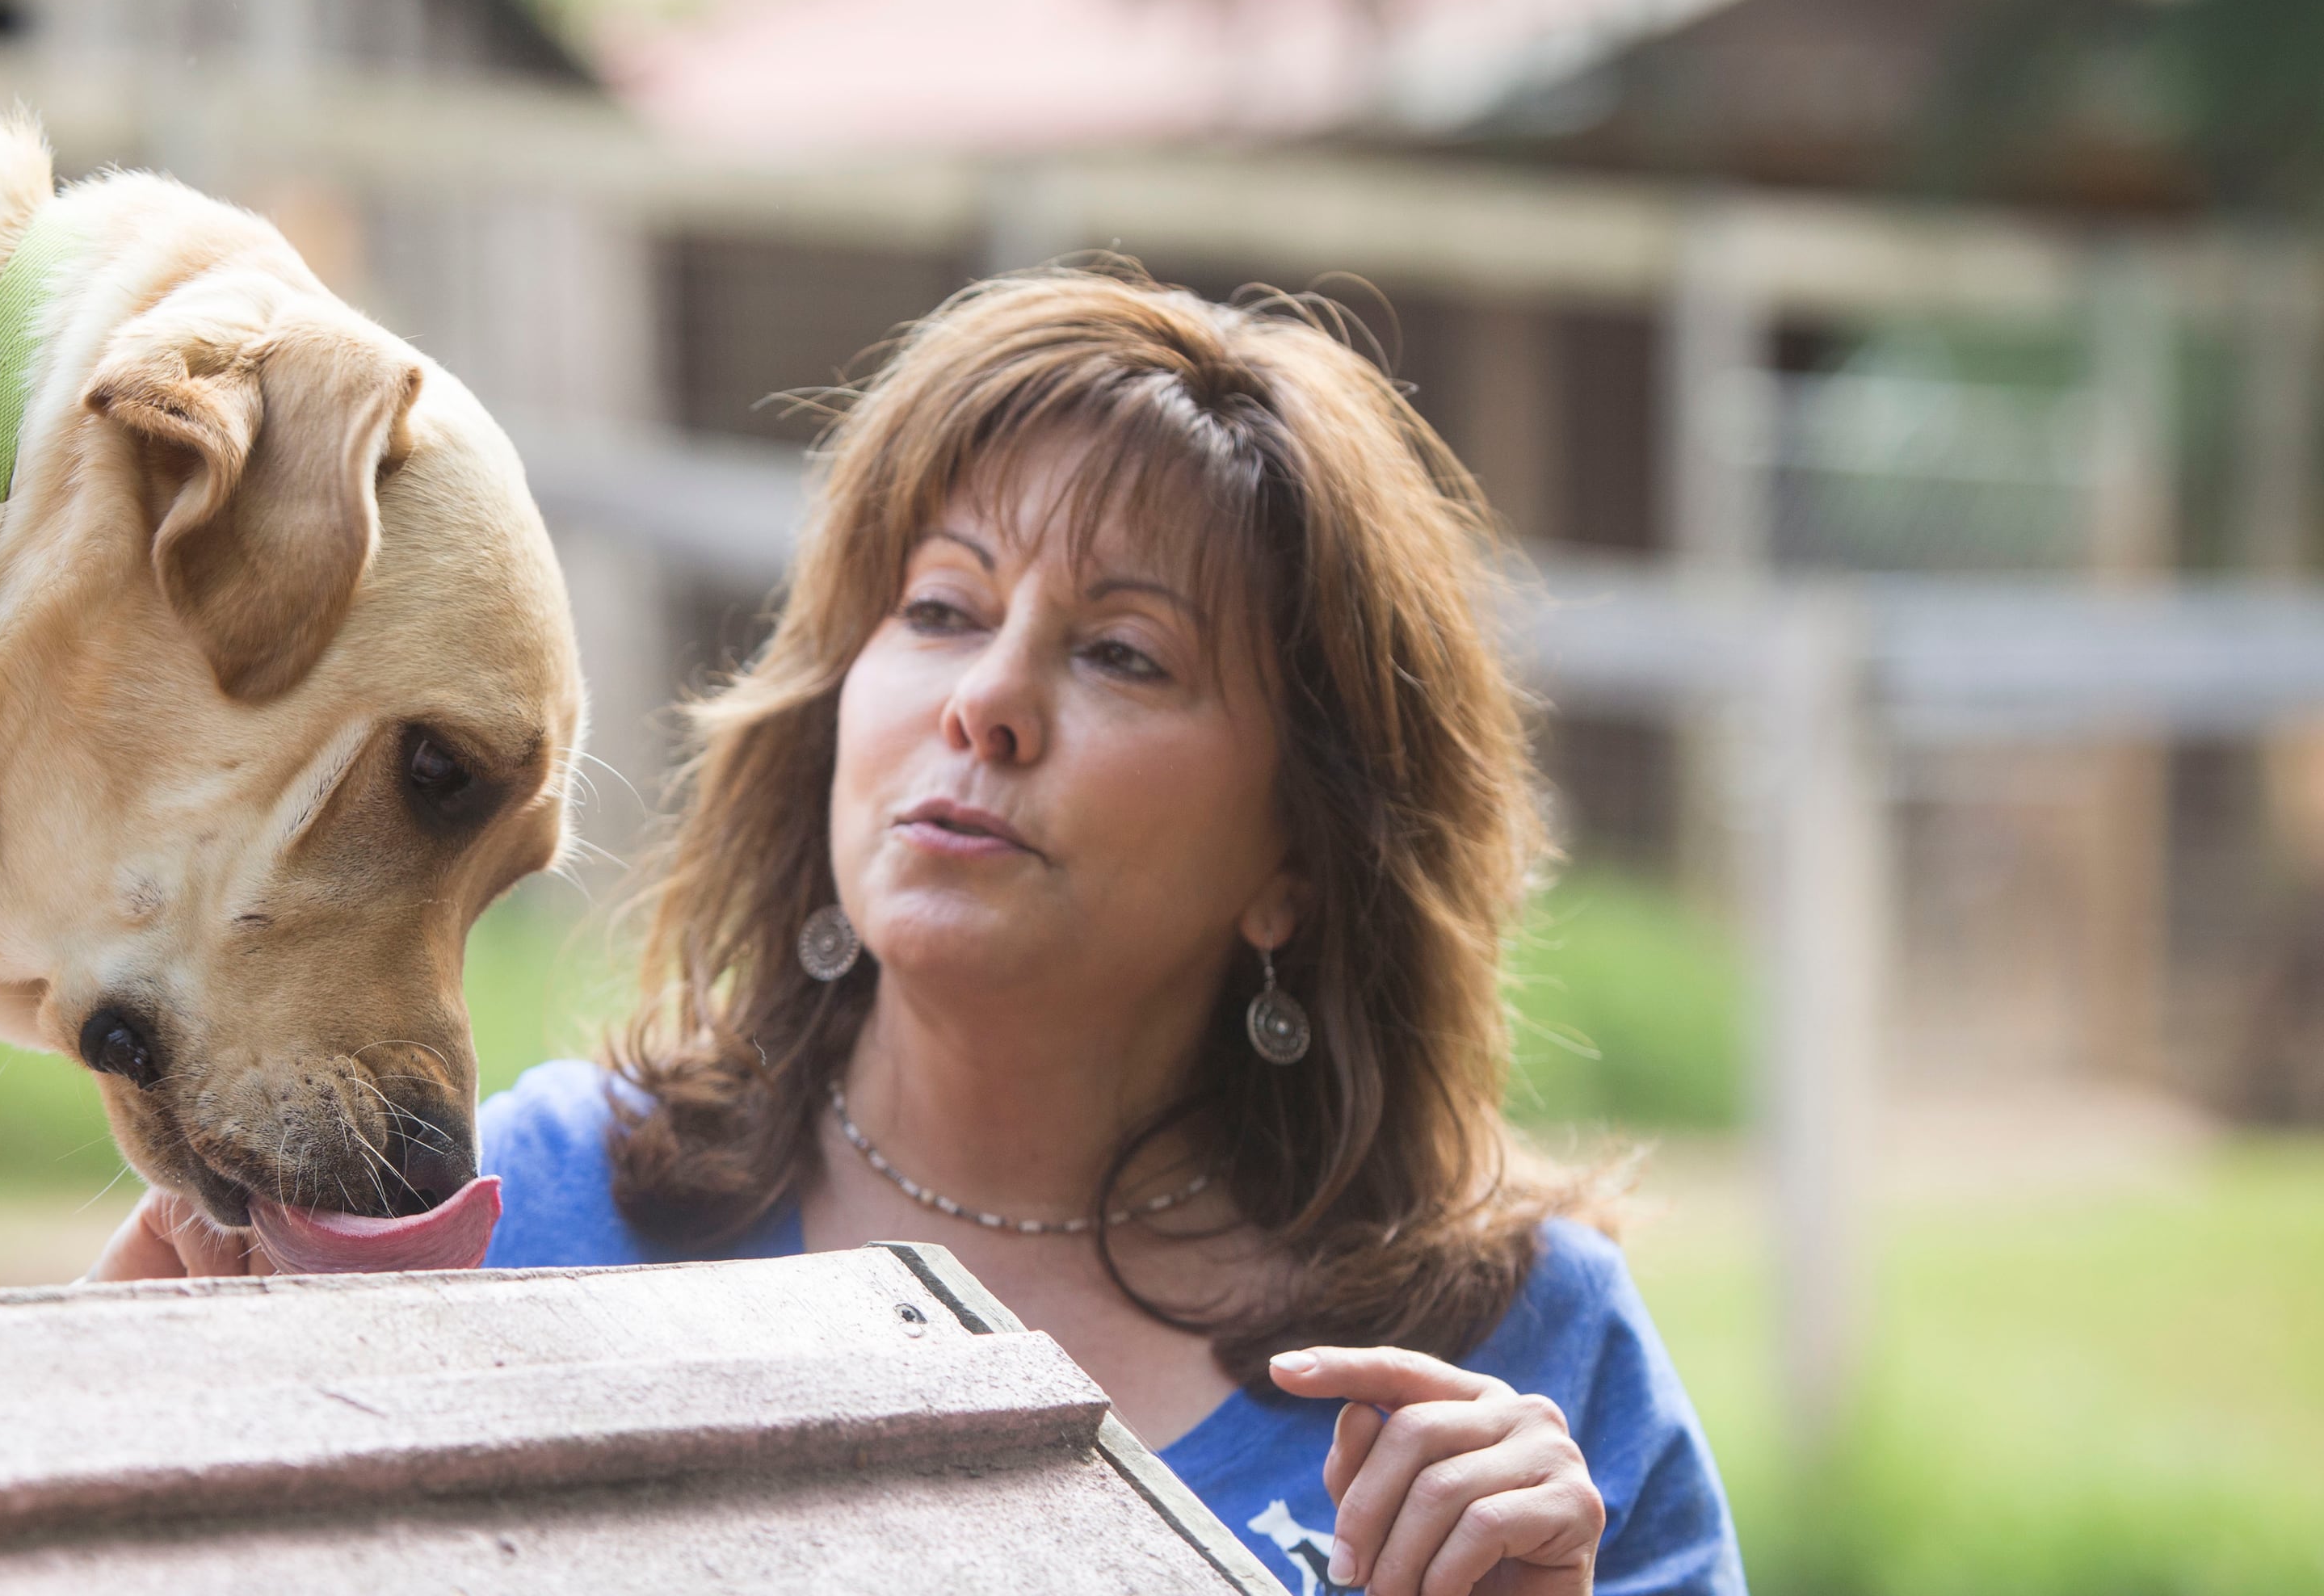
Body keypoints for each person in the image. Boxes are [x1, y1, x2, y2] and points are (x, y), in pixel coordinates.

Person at [90, 266, 1744, 1596]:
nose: (989, 703)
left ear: (1298, 859)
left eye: (1125, 655)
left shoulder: (1523, 1360)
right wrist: (146, 1493)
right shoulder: (521, 1231)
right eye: (941, 610)